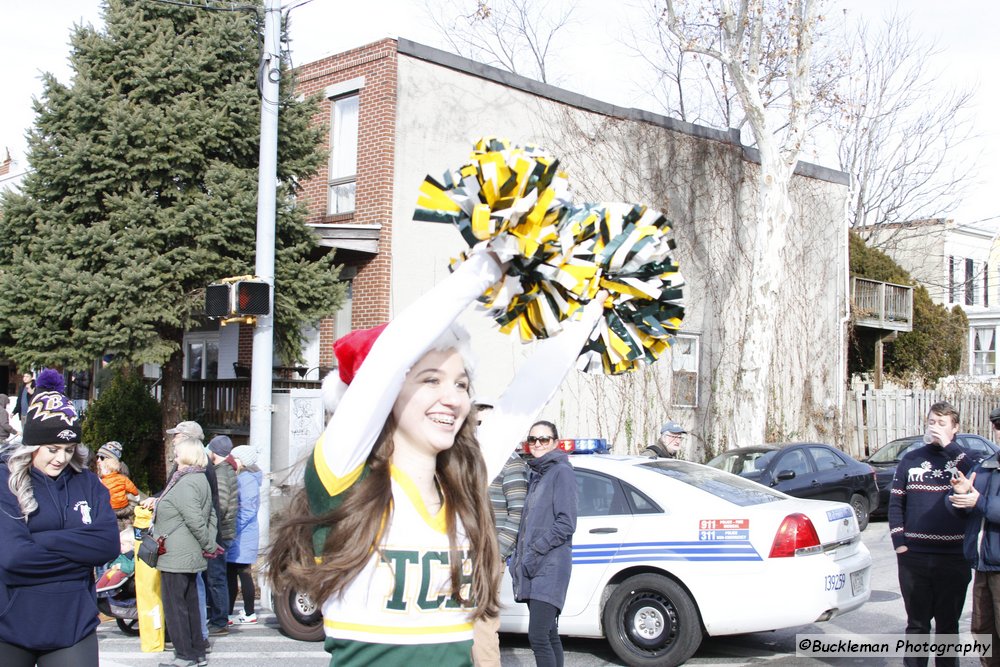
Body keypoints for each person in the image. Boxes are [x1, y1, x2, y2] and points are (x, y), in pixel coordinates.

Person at [268, 250, 605, 665]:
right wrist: (487, 263)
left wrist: (595, 302)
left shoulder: (460, 486)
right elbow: (389, 357)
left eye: (462, 384)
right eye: (430, 380)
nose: (453, 398)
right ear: (387, 393)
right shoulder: (342, 478)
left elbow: (529, 396)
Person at [0, 368, 119, 667]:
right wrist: (79, 553)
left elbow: (107, 546)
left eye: (68, 449)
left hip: (73, 624)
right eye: (52, 449)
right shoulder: (6, 481)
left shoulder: (87, 482)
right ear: (31, 445)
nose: (61, 458)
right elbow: (14, 558)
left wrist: (40, 539)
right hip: (10, 624)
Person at [889, 401, 981, 667]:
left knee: (948, 627)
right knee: (917, 625)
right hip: (914, 558)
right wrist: (900, 545)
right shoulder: (910, 459)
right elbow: (896, 504)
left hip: (954, 558)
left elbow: (975, 474)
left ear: (956, 428)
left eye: (942, 423)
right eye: (932, 422)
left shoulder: (966, 459)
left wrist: (948, 447)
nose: (935, 427)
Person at [510, 420, 577, 667]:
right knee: (548, 635)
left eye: (544, 439)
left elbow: (566, 523)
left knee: (537, 636)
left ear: (555, 443)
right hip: (533, 566)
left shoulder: (561, 472)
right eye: (533, 439)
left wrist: (534, 551)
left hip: (549, 565)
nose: (537, 444)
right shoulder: (537, 473)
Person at [153, 434, 221, 667]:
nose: (174, 453)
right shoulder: (200, 478)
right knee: (190, 602)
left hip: (177, 553)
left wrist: (209, 544)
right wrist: (209, 541)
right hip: (189, 552)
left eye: (178, 450)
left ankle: (184, 655)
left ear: (188, 454)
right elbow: (211, 514)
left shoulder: (185, 482)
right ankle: (197, 651)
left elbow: (194, 519)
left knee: (175, 606)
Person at [472, 402, 529, 666]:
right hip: (460, 552)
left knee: (482, 624)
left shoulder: (509, 461)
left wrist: (498, 553)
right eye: (474, 423)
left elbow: (517, 513)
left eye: (484, 424)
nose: (478, 429)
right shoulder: (465, 459)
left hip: (489, 554)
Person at [947, 406, 1000, 667]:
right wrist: (959, 493)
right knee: (982, 630)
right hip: (982, 565)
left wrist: (977, 500)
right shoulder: (986, 465)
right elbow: (956, 505)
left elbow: (986, 506)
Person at [204, 435, 237, 636]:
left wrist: (210, 524)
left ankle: (219, 620)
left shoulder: (221, 473)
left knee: (216, 577)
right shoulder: (226, 470)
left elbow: (221, 504)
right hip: (225, 531)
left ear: (214, 452)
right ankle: (217, 616)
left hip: (220, 532)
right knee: (216, 576)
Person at [226, 445, 262, 625]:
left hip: (241, 536)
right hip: (244, 535)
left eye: (235, 459)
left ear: (243, 461)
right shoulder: (249, 478)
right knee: (240, 573)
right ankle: (246, 612)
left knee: (236, 573)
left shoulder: (246, 480)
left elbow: (246, 511)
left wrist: (232, 530)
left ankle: (243, 613)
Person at [97, 440, 141, 531]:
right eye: (97, 457)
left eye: (101, 457)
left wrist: (117, 512)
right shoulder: (96, 476)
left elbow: (133, 500)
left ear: (110, 461)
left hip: (119, 519)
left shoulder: (122, 477)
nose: (97, 460)